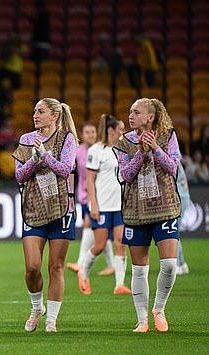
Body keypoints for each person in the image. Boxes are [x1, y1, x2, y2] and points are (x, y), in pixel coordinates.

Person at [12, 98, 78, 333]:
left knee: (56, 267)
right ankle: (36, 307)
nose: (35, 115)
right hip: (34, 208)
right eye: (34, 111)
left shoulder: (66, 139)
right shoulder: (26, 139)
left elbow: (66, 169)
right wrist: (34, 159)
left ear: (54, 116)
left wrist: (46, 156)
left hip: (61, 209)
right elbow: (19, 176)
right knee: (32, 267)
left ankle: (51, 320)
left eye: (40, 112)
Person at [115, 98, 181, 333]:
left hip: (165, 208)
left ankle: (159, 309)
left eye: (136, 112)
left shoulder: (167, 136)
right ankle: (142, 319)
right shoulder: (124, 142)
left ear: (150, 117)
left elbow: (173, 168)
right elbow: (125, 175)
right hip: (136, 211)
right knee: (139, 269)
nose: (130, 116)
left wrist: (155, 149)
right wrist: (141, 154)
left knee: (170, 265)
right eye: (130, 111)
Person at [77, 114, 131, 295]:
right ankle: (83, 273)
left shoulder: (123, 149)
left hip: (120, 206)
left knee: (120, 243)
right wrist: (93, 204)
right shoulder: (96, 151)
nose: (123, 133)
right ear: (111, 131)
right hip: (102, 206)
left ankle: (119, 284)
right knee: (99, 246)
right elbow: (89, 181)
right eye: (120, 130)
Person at [66, 123, 115, 276]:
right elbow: (72, 172)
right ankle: (111, 264)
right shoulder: (78, 152)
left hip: (101, 196)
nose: (90, 135)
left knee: (90, 224)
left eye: (93, 131)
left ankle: (81, 263)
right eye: (87, 132)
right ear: (82, 134)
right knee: (100, 230)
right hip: (84, 196)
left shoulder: (103, 150)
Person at [175, 163, 190, 275]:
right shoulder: (176, 155)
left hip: (178, 196)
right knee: (175, 230)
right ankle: (181, 263)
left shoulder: (170, 156)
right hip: (184, 195)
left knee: (172, 231)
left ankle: (177, 263)